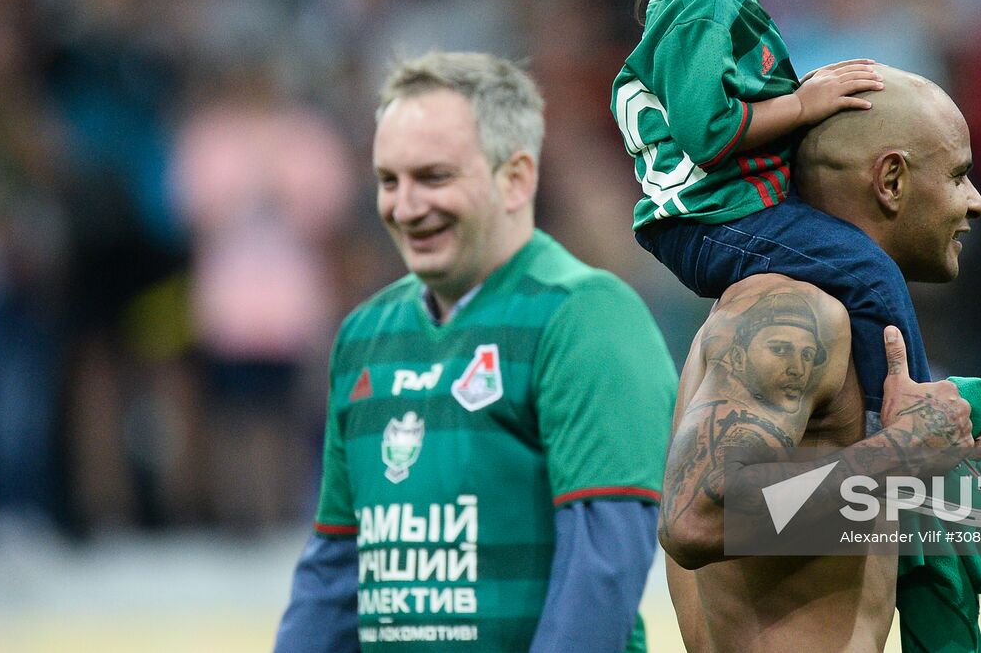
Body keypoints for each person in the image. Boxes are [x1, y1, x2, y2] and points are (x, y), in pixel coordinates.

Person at [274, 52, 678, 653]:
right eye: (389, 180)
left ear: (515, 177)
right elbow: (335, 571)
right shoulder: (364, 335)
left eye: (434, 177)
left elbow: (603, 567)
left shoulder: (587, 319)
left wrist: (866, 505)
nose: (405, 207)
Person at [611, 0, 927, 433]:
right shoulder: (697, 4)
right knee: (869, 273)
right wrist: (807, 104)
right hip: (715, 218)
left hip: (732, 207)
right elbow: (708, 132)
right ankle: (898, 421)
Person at [660, 67, 981, 652]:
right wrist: (904, 452)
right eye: (960, 175)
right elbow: (695, 518)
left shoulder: (813, 314)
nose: (977, 201)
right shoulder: (796, 313)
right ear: (891, 179)